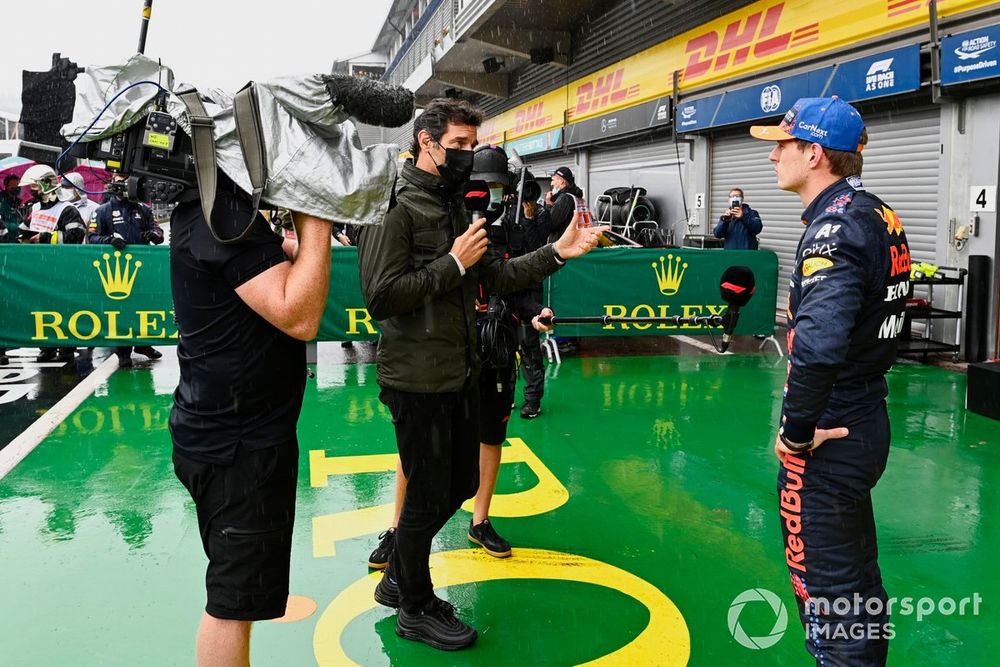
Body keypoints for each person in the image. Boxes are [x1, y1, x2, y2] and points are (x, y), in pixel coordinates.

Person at [357, 98, 606, 651]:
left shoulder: (453, 207)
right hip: (416, 378)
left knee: (462, 483)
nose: (470, 156)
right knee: (427, 491)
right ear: (427, 141)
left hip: (459, 370)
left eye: (474, 145)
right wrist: (452, 264)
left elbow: (498, 272)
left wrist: (558, 252)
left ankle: (402, 575)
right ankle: (414, 604)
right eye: (461, 145)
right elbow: (381, 298)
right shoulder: (391, 207)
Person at [751, 96, 910, 666]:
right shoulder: (875, 212)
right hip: (866, 415)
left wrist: (797, 432)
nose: (773, 156)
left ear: (814, 153)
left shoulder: (834, 229)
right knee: (856, 581)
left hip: (830, 432)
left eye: (783, 144)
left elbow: (817, 348)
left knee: (828, 597)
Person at [169, 171, 334, 666]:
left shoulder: (210, 208)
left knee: (237, 596)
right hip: (237, 449)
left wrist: (284, 241)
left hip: (228, 436)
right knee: (231, 607)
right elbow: (299, 313)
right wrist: (317, 218)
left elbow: (253, 265)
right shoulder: (223, 216)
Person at [366, 145, 556, 572]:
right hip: (441, 353)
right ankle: (400, 531)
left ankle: (480, 520)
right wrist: (454, 261)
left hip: (497, 345)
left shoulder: (514, 225)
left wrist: (534, 313)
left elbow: (514, 280)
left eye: (494, 185)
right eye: (478, 184)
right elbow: (388, 291)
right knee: (418, 447)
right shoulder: (427, 211)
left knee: (489, 439)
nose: (485, 193)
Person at [89, 177, 165, 367]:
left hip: (142, 269)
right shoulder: (103, 210)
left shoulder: (143, 209)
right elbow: (92, 237)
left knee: (144, 307)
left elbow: (158, 233)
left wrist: (153, 235)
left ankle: (143, 343)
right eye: (120, 181)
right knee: (121, 308)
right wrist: (109, 241)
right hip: (116, 272)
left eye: (127, 181)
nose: (125, 185)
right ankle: (123, 350)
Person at [18, 165, 86, 363]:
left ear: (46, 185)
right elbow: (23, 229)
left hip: (63, 269)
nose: (32, 191)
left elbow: (76, 234)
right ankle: (46, 346)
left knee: (64, 308)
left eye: (35, 187)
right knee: (42, 308)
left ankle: (66, 347)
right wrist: (24, 238)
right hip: (40, 268)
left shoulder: (67, 210)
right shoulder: (34, 208)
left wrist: (45, 237)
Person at [0, 174, 23, 365]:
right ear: (6, 186)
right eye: (13, 186)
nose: (16, 188)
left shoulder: (21, 204)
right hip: (4, 252)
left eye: (18, 186)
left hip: (17, 254)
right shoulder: (2, 202)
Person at [543, 165, 584, 241]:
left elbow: (550, 225)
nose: (551, 184)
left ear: (561, 181)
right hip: (574, 241)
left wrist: (548, 204)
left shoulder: (564, 198)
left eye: (553, 180)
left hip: (563, 244)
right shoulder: (576, 196)